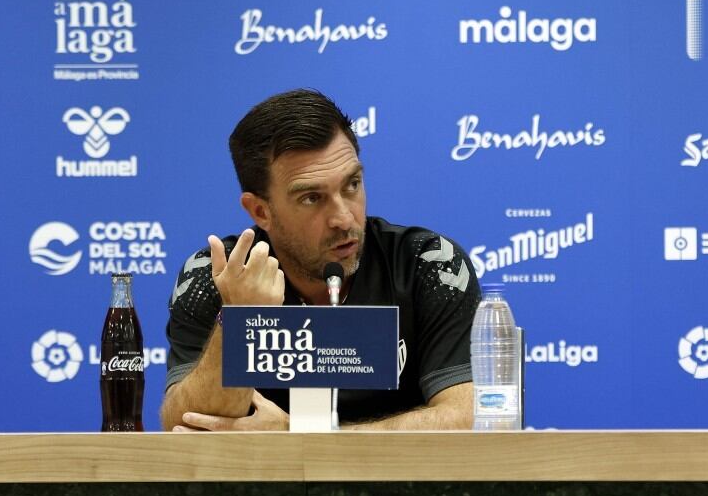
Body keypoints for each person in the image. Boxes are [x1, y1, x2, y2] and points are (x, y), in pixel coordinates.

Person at [160, 89, 481, 431]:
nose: (343, 218)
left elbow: (467, 417)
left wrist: (297, 437)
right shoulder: (220, 274)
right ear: (260, 211)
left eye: (352, 185)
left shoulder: (427, 265)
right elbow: (187, 426)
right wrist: (239, 320)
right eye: (312, 198)